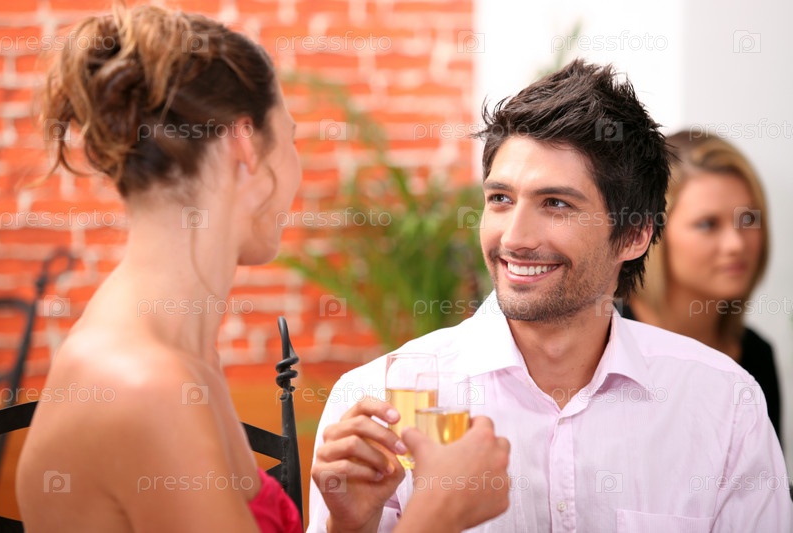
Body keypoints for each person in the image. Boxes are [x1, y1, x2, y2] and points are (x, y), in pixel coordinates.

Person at [15, 4, 510, 533]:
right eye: (289, 138)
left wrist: (349, 524)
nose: (295, 168)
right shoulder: (146, 385)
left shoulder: (182, 353)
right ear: (245, 144)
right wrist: (436, 513)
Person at [308, 60, 791, 532]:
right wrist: (351, 529)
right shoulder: (376, 400)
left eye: (555, 204)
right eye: (500, 199)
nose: (514, 238)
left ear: (634, 235)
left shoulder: (725, 406)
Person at [625, 131, 782, 442]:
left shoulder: (755, 355)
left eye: (748, 219)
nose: (736, 244)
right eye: (708, 224)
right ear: (652, 233)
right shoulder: (606, 344)